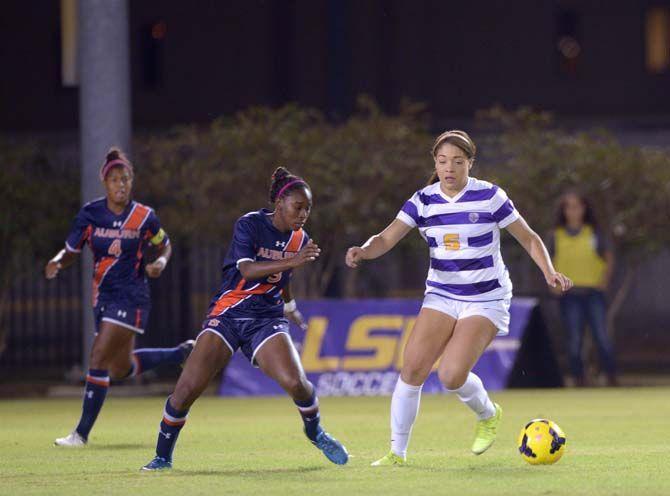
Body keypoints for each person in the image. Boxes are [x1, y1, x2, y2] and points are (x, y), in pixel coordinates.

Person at [345, 130, 573, 466]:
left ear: (470, 163)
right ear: (434, 163)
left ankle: (488, 413)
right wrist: (364, 251)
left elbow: (529, 238)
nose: (449, 168)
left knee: (451, 376)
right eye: (442, 161)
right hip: (441, 294)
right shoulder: (423, 200)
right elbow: (386, 237)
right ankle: (397, 453)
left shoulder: (490, 197)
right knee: (412, 369)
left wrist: (548, 271)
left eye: (457, 161)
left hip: (486, 298)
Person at [141, 167, 348, 471]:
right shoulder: (249, 224)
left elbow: (282, 276)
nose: (304, 214)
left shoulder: (300, 239)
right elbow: (248, 270)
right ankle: (162, 457)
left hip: (266, 318)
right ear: (280, 203)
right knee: (186, 390)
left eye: (308, 208)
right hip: (229, 313)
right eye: (298, 207)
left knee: (297, 383)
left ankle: (315, 431)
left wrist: (289, 306)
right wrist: (292, 260)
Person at [46, 147, 194, 447]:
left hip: (132, 297)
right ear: (105, 182)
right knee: (120, 368)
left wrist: (162, 262)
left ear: (131, 182)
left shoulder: (144, 216)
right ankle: (181, 353)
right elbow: (72, 250)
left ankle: (80, 434)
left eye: (126, 178)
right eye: (115, 179)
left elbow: (165, 244)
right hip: (102, 297)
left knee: (98, 357)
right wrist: (58, 261)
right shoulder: (90, 214)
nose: (121, 184)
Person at [548, 190, 617, 387]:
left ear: (584, 209)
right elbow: (548, 261)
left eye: (577, 206)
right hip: (569, 294)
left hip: (593, 292)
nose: (573, 211)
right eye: (568, 207)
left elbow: (609, 257)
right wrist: (553, 285)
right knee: (574, 338)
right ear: (563, 211)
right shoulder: (556, 236)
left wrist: (605, 280)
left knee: (601, 335)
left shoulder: (593, 233)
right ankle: (578, 378)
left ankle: (609, 375)